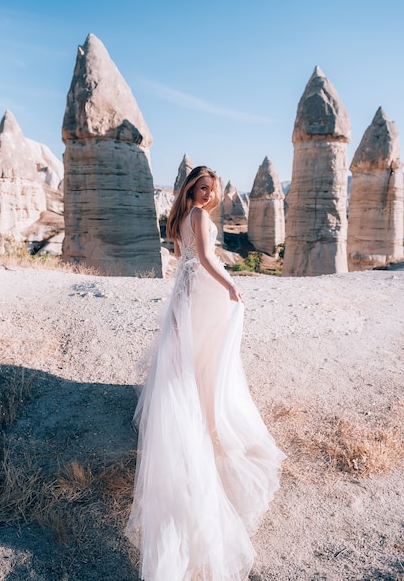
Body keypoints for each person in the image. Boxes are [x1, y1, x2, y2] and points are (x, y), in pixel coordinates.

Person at [126, 166, 285, 581]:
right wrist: (230, 284)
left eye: (211, 189)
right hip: (199, 291)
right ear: (191, 188)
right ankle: (206, 414)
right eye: (202, 187)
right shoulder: (197, 216)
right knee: (209, 350)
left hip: (184, 291)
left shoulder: (177, 217)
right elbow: (208, 257)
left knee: (185, 357)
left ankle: (196, 406)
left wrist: (203, 275)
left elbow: (183, 259)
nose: (207, 194)